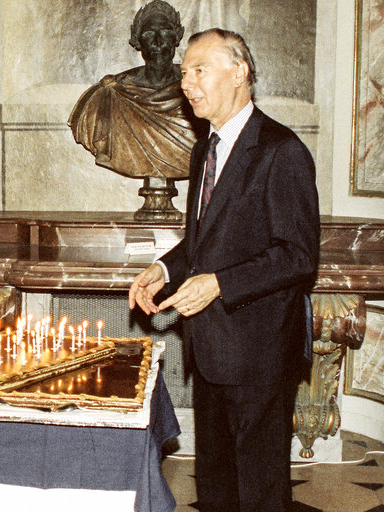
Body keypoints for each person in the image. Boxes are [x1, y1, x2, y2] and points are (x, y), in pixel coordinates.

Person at [128, 28, 319, 511]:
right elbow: (204, 242)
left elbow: (297, 255)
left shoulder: (282, 151)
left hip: (259, 353)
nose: (186, 82)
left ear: (240, 73)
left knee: (258, 490)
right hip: (209, 350)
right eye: (185, 72)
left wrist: (219, 284)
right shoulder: (204, 149)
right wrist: (163, 269)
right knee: (215, 484)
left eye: (199, 70)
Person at [68, 0, 200, 179]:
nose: (158, 42)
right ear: (137, 40)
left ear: (177, 37)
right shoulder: (109, 94)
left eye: (166, 32)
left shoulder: (200, 91)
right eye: (149, 34)